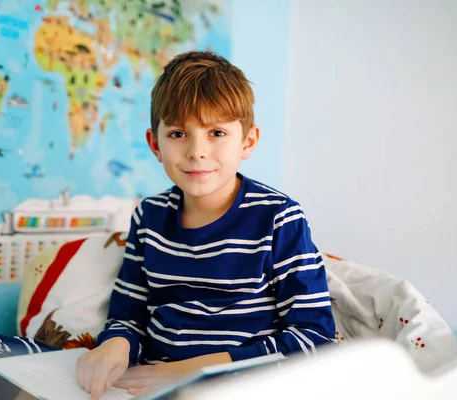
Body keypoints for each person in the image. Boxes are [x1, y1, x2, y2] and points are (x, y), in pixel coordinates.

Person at [76, 51, 336, 399]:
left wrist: (195, 370)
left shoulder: (278, 217)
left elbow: (314, 338)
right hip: (150, 382)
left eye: (216, 132)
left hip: (239, 385)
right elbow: (128, 315)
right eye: (178, 134)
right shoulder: (149, 217)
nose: (197, 151)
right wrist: (116, 345)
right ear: (155, 144)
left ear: (247, 141)